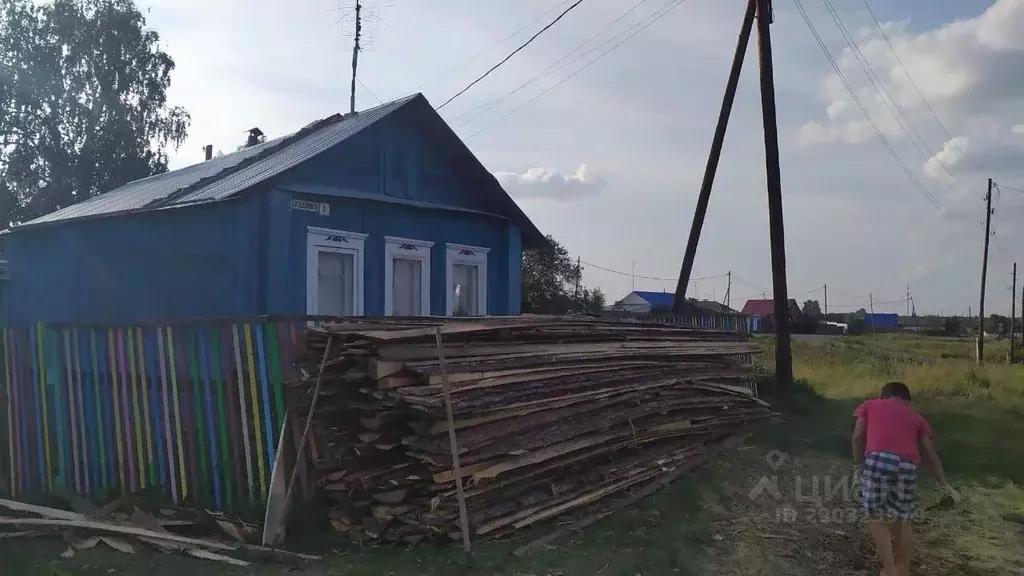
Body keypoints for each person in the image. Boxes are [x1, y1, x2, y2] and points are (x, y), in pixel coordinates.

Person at [851, 381, 961, 576]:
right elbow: (929, 453)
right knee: (903, 519)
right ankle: (903, 570)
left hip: (877, 460)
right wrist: (945, 486)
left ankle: (890, 570)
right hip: (907, 465)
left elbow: (858, 436)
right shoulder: (917, 418)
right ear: (907, 401)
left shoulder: (870, 405)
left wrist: (857, 466)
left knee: (877, 517)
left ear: (883, 396)